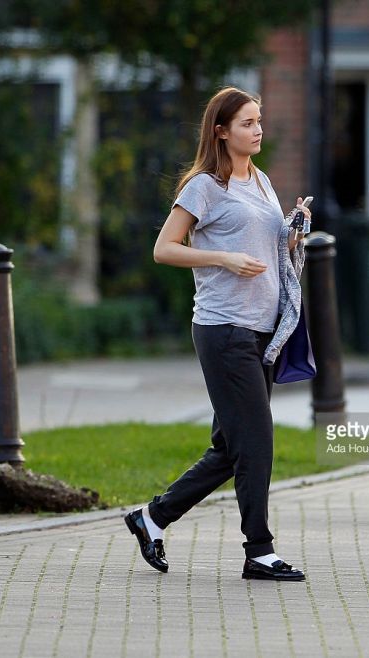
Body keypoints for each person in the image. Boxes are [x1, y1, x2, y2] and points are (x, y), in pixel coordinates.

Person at [124, 86, 311, 582]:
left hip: (262, 332)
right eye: (248, 123)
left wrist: (294, 231)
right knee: (257, 442)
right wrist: (222, 257)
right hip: (224, 329)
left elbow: (268, 245)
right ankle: (260, 551)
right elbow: (165, 249)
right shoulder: (204, 187)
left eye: (260, 120)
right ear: (221, 130)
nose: (258, 129)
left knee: (233, 448)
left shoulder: (263, 182)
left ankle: (153, 518)